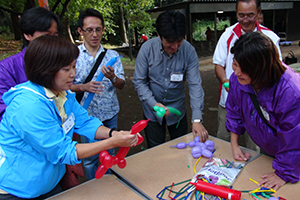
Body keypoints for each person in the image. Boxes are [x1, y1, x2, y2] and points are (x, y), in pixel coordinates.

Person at [0, 35, 139, 199]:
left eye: (74, 66)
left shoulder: (62, 93)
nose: (73, 74)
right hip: (18, 189)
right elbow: (64, 151)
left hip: (48, 182)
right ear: (45, 70)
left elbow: (84, 121)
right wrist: (112, 142)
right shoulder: (28, 107)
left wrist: (113, 134)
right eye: (67, 69)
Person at [227, 31, 300, 191]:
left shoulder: (290, 91)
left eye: (243, 68)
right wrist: (235, 144)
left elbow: (294, 137)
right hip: (272, 153)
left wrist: (284, 173)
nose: (237, 72)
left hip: (294, 158)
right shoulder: (238, 79)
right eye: (235, 63)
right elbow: (234, 110)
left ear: (261, 69)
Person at [213, 0, 282, 151]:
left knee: (257, 146)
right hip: (230, 100)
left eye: (250, 15)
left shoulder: (270, 38)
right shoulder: (227, 36)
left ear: (259, 12)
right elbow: (218, 64)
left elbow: (277, 72)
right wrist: (226, 81)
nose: (245, 20)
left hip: (259, 105)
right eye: (241, 15)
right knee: (224, 143)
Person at [133, 10, 208, 148]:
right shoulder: (147, 49)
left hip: (177, 111)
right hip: (152, 111)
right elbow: (139, 81)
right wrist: (154, 104)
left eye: (179, 41)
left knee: (181, 148)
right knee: (155, 150)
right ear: (159, 35)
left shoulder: (189, 51)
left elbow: (195, 85)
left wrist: (197, 118)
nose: (174, 47)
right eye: (169, 42)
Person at [71, 8, 125, 180]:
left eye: (98, 29)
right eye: (89, 30)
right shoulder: (73, 56)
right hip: (86, 116)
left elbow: (122, 84)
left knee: (109, 153)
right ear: (80, 31)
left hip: (110, 113)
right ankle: (93, 190)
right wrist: (83, 87)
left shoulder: (112, 55)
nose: (94, 34)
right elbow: (64, 87)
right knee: (90, 158)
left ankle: (109, 185)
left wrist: (112, 77)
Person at [0, 6, 60, 122]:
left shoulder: (59, 65)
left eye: (55, 36)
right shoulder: (6, 69)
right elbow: (3, 111)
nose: (52, 42)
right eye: (46, 36)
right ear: (27, 35)